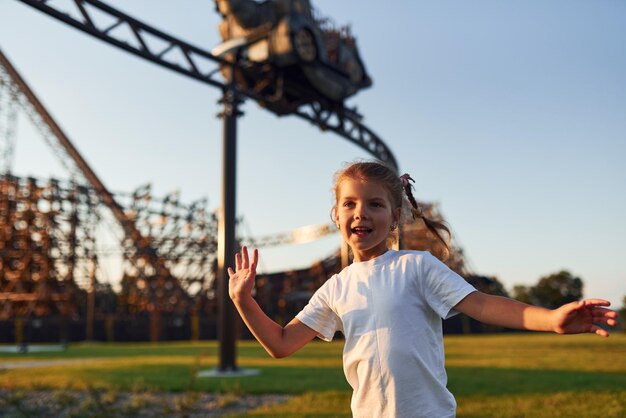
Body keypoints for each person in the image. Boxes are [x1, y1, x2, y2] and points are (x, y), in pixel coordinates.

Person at [228, 160, 619, 418]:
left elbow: (483, 305)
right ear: (337, 215)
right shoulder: (335, 288)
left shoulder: (416, 267)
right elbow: (280, 344)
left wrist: (551, 319)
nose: (361, 212)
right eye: (349, 204)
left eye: (375, 204)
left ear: (395, 216)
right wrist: (243, 301)